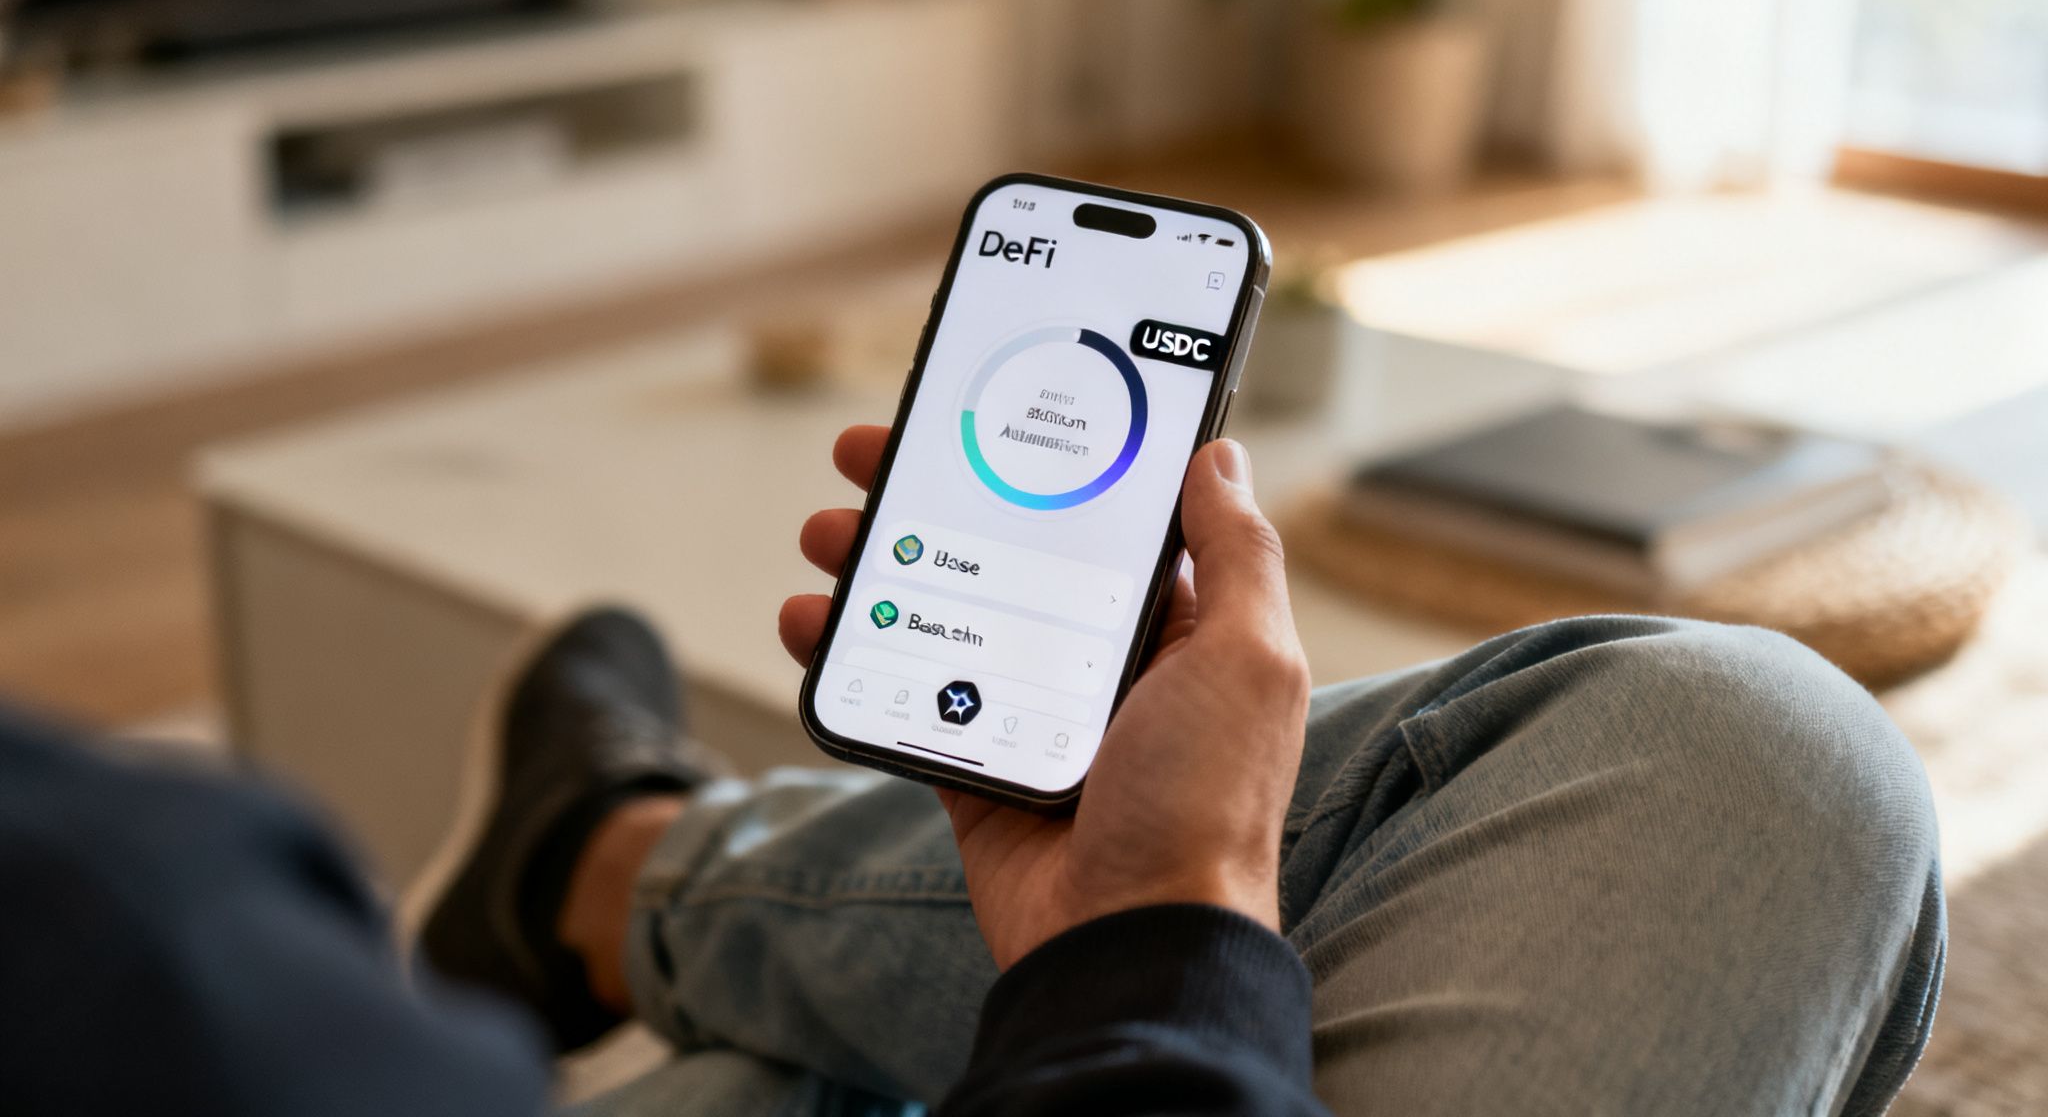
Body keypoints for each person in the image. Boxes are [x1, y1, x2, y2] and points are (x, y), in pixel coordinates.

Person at [0, 429, 1943, 1116]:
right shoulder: (140, 929)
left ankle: (609, 868)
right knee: (1774, 763)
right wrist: (1159, 925)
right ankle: (632, 870)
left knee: (1762, 742)